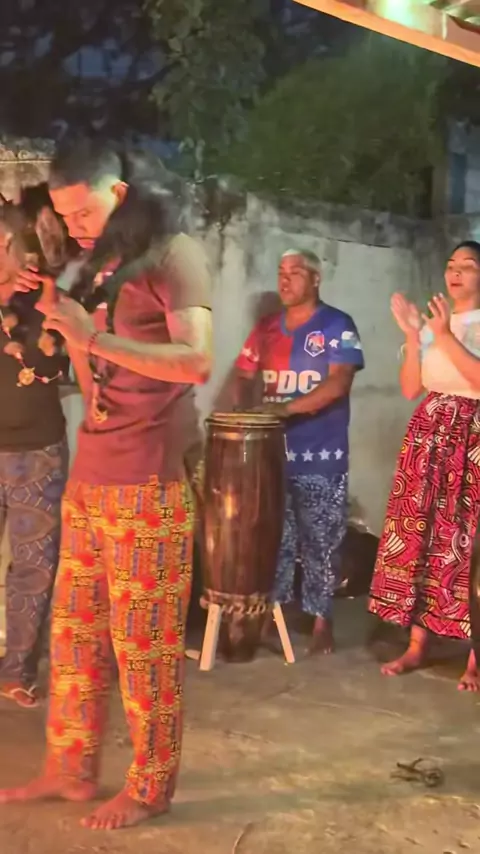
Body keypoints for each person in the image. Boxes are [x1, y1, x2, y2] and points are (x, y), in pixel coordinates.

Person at [0, 137, 213, 830]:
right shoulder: (102, 267)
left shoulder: (174, 256)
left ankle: (150, 787)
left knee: (143, 645)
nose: (76, 227)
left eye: (84, 212)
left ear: (117, 193)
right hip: (92, 475)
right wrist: (66, 323)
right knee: (74, 638)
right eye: (65, 217)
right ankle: (70, 768)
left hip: (148, 478)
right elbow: (93, 377)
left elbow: (196, 361)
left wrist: (91, 339)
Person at [235, 249, 364, 653]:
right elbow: (243, 376)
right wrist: (247, 417)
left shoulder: (337, 325)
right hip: (272, 455)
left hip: (320, 454)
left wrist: (283, 409)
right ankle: (272, 614)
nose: (285, 280)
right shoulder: (265, 329)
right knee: (274, 538)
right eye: (281, 272)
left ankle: (322, 620)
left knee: (321, 540)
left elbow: (338, 382)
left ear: (315, 279)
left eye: (295, 272)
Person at [368, 241, 480, 691]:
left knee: (467, 539)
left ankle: (475, 658)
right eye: (451, 265)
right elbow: (411, 387)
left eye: (468, 266)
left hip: (472, 436)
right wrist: (416, 336)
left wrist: (446, 335)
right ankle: (417, 643)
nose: (456, 273)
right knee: (421, 533)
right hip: (429, 433)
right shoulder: (436, 323)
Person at [0, 186, 73, 709]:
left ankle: (17, 670)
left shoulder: (47, 299)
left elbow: (58, 362)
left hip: (37, 450)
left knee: (34, 568)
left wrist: (46, 299)